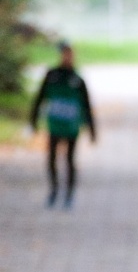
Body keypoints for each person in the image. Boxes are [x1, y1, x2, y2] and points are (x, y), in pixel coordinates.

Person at [30, 42, 96, 208]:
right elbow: (40, 97)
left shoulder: (77, 79)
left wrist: (92, 130)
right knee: (51, 158)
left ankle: (69, 194)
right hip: (55, 125)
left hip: (71, 127)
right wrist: (33, 119)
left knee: (69, 160)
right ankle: (53, 190)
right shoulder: (52, 75)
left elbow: (86, 105)